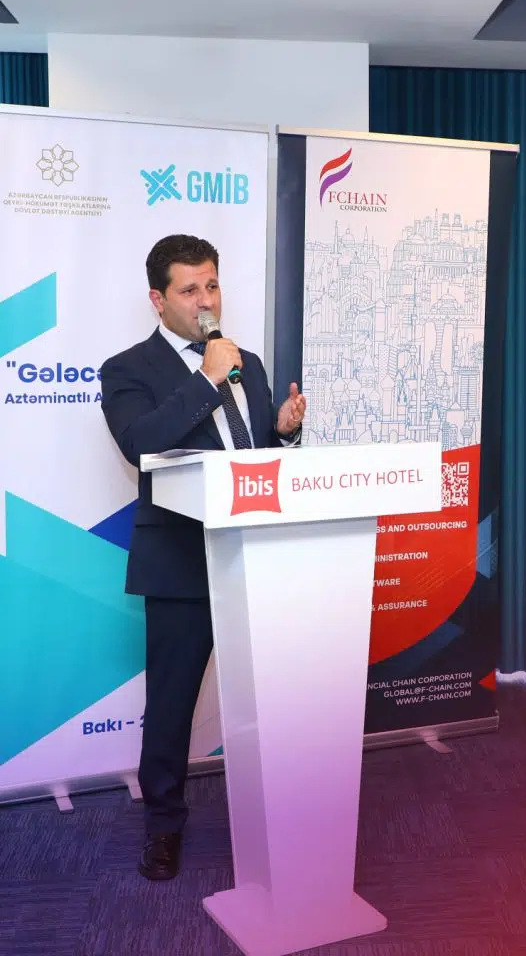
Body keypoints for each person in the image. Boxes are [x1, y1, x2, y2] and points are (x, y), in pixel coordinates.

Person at [100, 234, 305, 881]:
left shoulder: (249, 362)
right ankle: (164, 826)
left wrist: (285, 433)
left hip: (255, 557)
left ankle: (279, 812)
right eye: (190, 289)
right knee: (172, 706)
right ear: (158, 300)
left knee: (274, 695)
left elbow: (253, 455)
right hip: (180, 562)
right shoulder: (128, 369)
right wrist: (207, 378)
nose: (206, 300)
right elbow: (141, 445)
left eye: (212, 285)